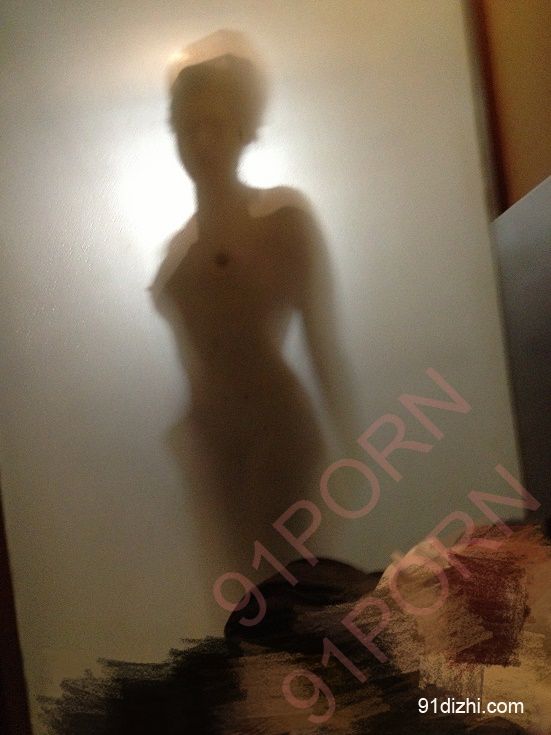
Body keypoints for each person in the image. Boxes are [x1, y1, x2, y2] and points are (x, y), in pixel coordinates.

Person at [149, 31, 365, 586]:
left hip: (277, 435)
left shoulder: (282, 219)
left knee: (287, 597)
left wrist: (357, 449)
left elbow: (321, 341)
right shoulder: (176, 255)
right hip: (214, 449)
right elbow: (193, 363)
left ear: (243, 129)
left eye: (215, 124)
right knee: (240, 603)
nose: (202, 142)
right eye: (188, 127)